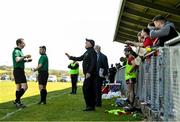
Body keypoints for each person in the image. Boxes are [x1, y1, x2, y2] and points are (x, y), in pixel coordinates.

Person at [65, 38, 97, 111]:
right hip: (87, 74)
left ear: (90, 44)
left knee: (87, 89)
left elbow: (93, 63)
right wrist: (70, 57)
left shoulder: (92, 52)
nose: (85, 44)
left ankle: (90, 106)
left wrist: (89, 72)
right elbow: (79, 58)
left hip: (90, 74)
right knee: (88, 89)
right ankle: (90, 106)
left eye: (86, 43)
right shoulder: (87, 52)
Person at [12, 38, 32, 108]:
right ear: (19, 44)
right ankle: (16, 100)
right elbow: (17, 60)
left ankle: (18, 102)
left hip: (17, 70)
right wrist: (25, 56)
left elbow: (20, 60)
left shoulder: (20, 51)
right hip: (18, 71)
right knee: (25, 87)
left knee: (18, 88)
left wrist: (27, 60)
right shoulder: (16, 51)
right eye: (23, 43)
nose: (24, 44)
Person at [124, 46, 137, 111]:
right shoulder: (130, 57)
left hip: (130, 76)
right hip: (130, 77)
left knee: (131, 91)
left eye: (125, 52)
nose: (124, 53)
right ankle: (130, 104)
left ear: (129, 52)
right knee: (130, 91)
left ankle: (131, 105)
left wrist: (130, 71)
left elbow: (134, 64)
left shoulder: (130, 57)